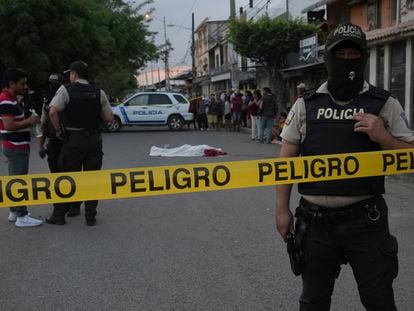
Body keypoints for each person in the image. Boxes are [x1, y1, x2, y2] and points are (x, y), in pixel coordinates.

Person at [276, 23, 414, 311]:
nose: (348, 60)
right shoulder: (306, 104)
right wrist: (281, 209)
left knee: (379, 302)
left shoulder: (384, 104)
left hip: (366, 220)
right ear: (328, 58)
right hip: (314, 223)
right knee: (313, 301)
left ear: (363, 58)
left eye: (354, 54)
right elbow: (286, 159)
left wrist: (384, 137)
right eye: (341, 54)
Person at [46, 61, 114, 226]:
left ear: (74, 74)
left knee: (66, 177)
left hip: (74, 140)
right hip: (94, 140)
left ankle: (60, 214)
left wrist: (58, 131)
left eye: (70, 73)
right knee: (92, 177)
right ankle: (90, 217)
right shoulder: (98, 92)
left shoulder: (65, 90)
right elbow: (109, 118)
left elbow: (53, 111)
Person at [0, 68, 42, 227]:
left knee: (14, 180)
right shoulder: (5, 100)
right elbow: (9, 125)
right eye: (22, 83)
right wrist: (30, 121)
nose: (25, 86)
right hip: (16, 147)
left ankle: (14, 211)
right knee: (20, 182)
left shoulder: (11, 98)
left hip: (14, 146)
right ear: (12, 84)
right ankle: (22, 216)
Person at [39, 73, 82, 217]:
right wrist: (41, 145)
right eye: (51, 84)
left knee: (69, 176)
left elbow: (44, 125)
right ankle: (64, 206)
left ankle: (71, 206)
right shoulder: (48, 102)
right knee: (59, 177)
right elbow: (43, 125)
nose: (52, 87)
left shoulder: (64, 99)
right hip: (57, 143)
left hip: (67, 142)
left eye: (55, 84)